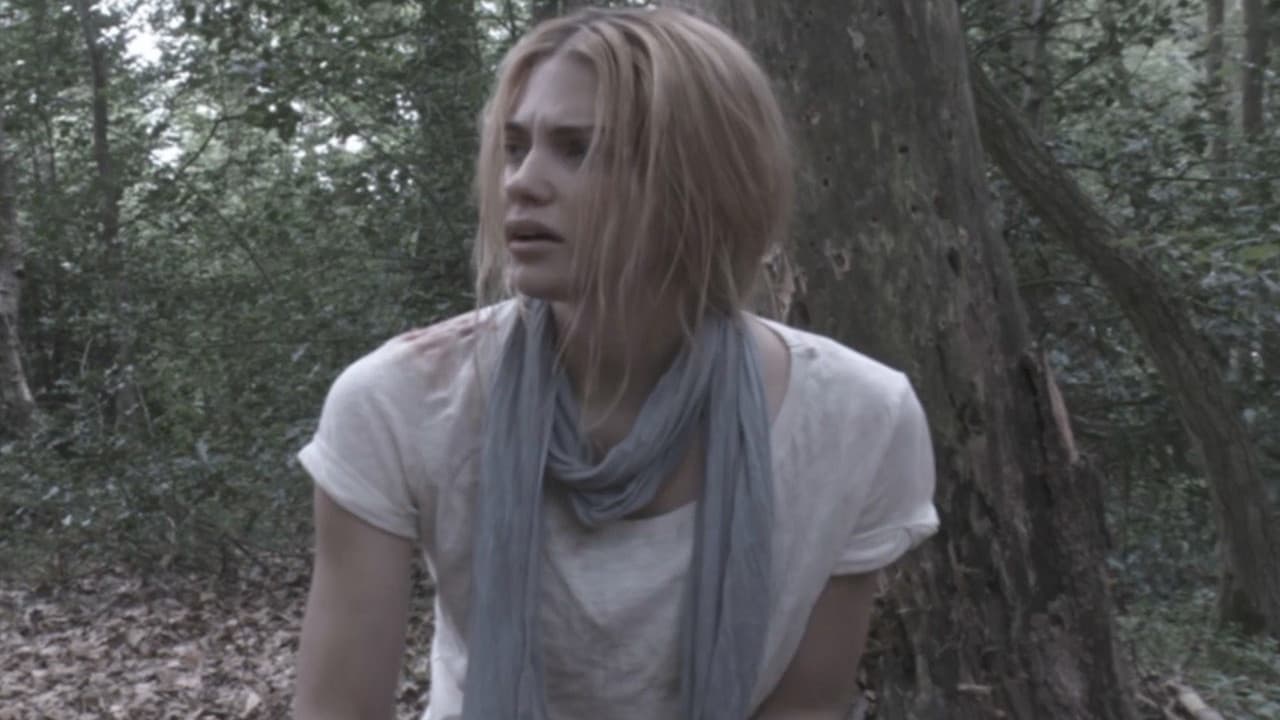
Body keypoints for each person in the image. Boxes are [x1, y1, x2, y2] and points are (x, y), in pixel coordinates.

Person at [292, 6, 939, 720]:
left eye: (579, 149)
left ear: (705, 182)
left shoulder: (859, 419)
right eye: (515, 147)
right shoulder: (398, 402)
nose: (521, 182)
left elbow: (805, 708)